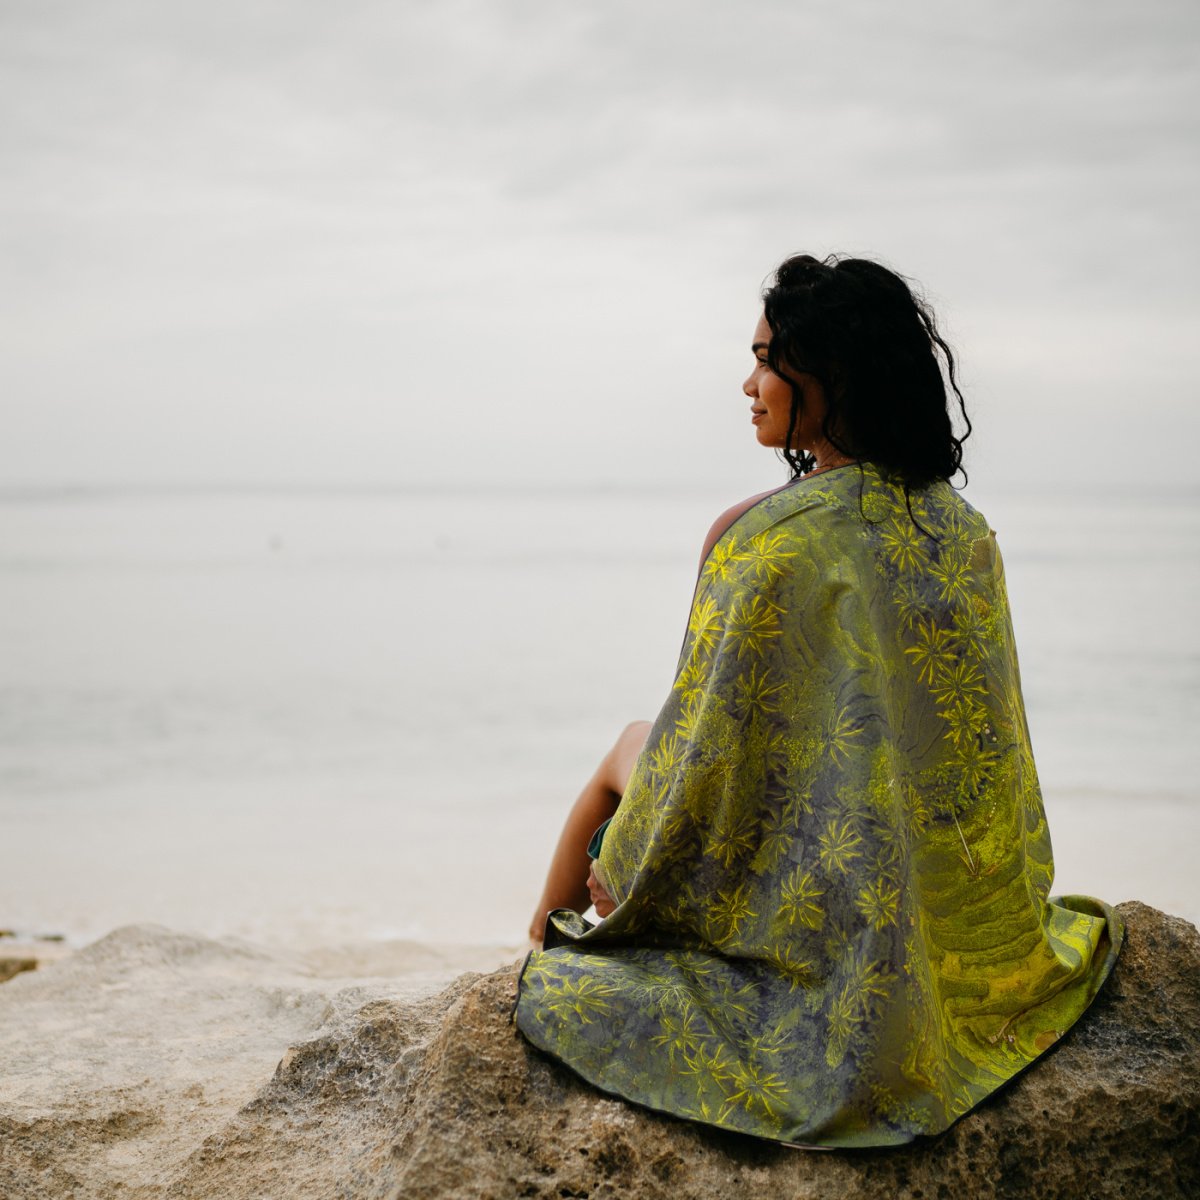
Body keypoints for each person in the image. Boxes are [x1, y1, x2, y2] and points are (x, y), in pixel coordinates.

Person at [513, 253, 1124, 1149]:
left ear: (825, 378)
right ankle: (540, 947)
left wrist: (647, 871)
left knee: (628, 748)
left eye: (767, 361)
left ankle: (536, 952)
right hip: (939, 895)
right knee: (640, 747)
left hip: (795, 894)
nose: (749, 383)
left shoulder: (760, 537)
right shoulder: (962, 534)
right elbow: (980, 752)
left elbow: (706, 745)